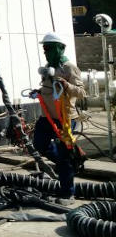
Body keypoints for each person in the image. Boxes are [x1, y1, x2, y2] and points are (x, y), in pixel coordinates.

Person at [32, 32, 86, 205]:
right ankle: (71, 161)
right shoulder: (48, 67)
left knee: (64, 157)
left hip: (65, 120)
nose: (45, 52)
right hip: (47, 117)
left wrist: (66, 84)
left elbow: (81, 92)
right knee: (39, 144)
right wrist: (38, 92)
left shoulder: (69, 68)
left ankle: (68, 194)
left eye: (48, 48)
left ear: (58, 48)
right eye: (44, 48)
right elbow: (49, 90)